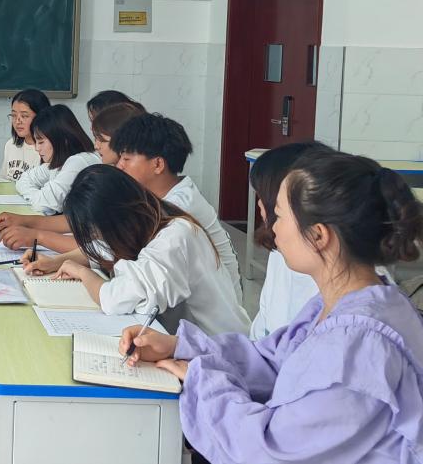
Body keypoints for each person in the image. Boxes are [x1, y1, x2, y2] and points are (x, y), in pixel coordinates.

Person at [121, 151, 423, 463]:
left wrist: (203, 382)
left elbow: (268, 451)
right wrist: (181, 347)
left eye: (279, 216)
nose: (273, 228)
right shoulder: (346, 303)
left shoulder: (359, 348)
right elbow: (274, 361)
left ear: (318, 235)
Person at [27, 165, 250, 336]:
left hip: (217, 351)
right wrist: (57, 262)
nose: (98, 237)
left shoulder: (175, 237)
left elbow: (115, 299)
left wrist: (84, 274)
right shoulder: (151, 218)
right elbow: (103, 248)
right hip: (184, 344)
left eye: (97, 231)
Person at [111, 112, 243, 300]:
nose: (119, 166)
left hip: (210, 307)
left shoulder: (180, 206)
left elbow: (118, 248)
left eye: (126, 159)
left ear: (158, 164)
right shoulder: (157, 195)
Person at [248, 141, 337, 339]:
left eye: (279, 212)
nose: (260, 204)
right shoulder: (284, 254)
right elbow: (263, 338)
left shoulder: (344, 305)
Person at [15, 105, 100, 214]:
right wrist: (38, 196)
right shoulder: (59, 163)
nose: (37, 148)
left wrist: (38, 197)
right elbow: (24, 179)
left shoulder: (78, 161)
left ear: (63, 139)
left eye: (41, 142)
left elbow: (43, 205)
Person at [0, 88, 51, 181]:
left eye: (24, 116)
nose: (17, 121)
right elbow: (2, 182)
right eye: (14, 115)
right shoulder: (11, 144)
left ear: (41, 117)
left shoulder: (49, 149)